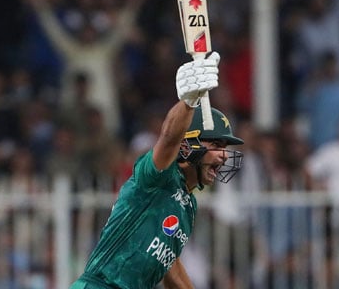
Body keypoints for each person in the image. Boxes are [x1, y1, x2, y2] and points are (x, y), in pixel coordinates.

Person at [70, 51, 245, 289]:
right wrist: (188, 101)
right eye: (215, 145)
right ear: (190, 143)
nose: (224, 156)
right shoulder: (157, 176)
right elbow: (169, 137)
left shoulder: (188, 205)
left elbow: (168, 263)